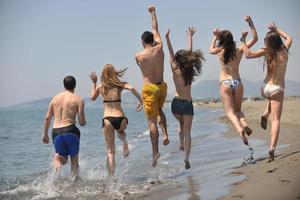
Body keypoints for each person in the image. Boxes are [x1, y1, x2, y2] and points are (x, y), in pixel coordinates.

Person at [240, 22, 292, 162]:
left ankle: (265, 113)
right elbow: (289, 38)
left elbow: (248, 54)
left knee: (272, 101)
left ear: (268, 43)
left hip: (264, 88)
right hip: (277, 89)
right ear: (278, 41)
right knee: (276, 120)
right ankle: (272, 148)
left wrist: (243, 40)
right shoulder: (285, 50)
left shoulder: (267, 52)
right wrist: (277, 29)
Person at [209, 16, 258, 146]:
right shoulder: (240, 49)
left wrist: (215, 36)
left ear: (221, 40)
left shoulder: (219, 51)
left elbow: (210, 50)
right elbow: (255, 39)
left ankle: (240, 129)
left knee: (230, 112)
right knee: (238, 110)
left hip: (225, 83)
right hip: (238, 82)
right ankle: (244, 123)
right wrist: (250, 23)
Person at [89, 64, 143, 175]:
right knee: (121, 131)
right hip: (121, 118)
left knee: (110, 151)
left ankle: (111, 178)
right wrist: (141, 101)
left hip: (107, 119)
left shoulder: (101, 87)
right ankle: (125, 141)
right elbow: (132, 88)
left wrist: (94, 83)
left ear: (103, 74)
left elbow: (92, 98)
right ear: (114, 73)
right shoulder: (119, 85)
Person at [165, 27, 205, 169]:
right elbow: (189, 55)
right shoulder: (189, 70)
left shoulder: (175, 70)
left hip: (176, 104)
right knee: (187, 130)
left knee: (180, 124)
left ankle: (181, 142)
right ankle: (186, 158)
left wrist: (167, 39)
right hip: (187, 103)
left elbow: (170, 53)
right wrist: (190, 37)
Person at [135, 5, 169, 167]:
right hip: (162, 86)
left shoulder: (139, 56)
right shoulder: (160, 48)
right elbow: (155, 28)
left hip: (149, 88)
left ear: (142, 41)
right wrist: (153, 13)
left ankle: (155, 152)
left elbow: (140, 65)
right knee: (160, 110)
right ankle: (165, 134)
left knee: (152, 121)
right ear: (152, 40)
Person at [42, 75, 86, 177]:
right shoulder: (78, 99)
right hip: (70, 130)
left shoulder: (54, 99)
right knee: (74, 159)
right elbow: (82, 122)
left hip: (56, 132)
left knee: (63, 159)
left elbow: (48, 118)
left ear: (64, 85)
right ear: (75, 85)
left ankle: (57, 158)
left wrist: (45, 134)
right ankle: (74, 184)